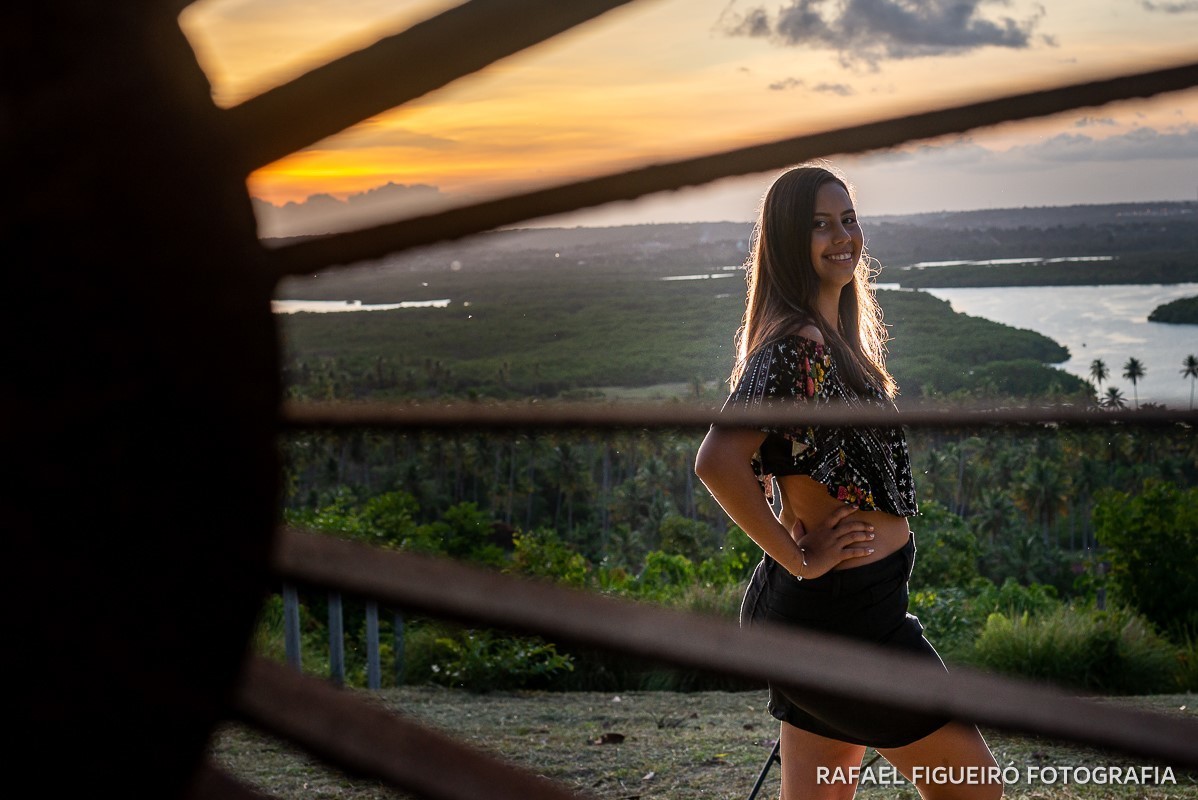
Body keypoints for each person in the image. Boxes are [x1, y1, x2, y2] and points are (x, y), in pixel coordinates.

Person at [694, 164, 1002, 800]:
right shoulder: (796, 347)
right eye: (819, 225)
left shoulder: (836, 339)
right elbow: (717, 460)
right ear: (785, 240)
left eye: (848, 219)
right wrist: (799, 560)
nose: (842, 236)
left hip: (852, 606)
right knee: (972, 788)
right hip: (838, 615)